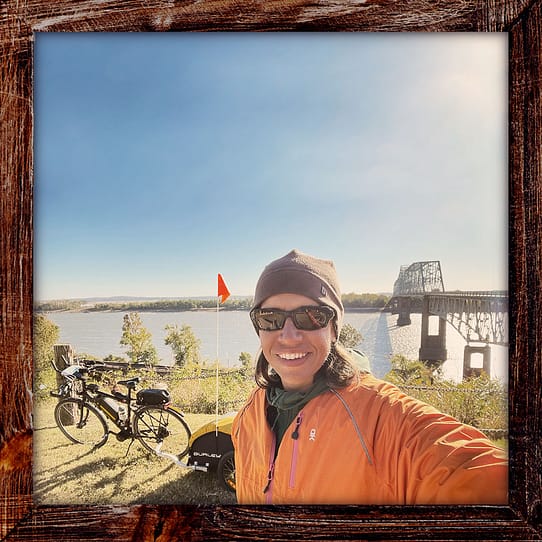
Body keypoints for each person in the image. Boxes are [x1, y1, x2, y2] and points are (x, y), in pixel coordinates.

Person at [231, 249, 508, 505]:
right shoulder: (249, 414)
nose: (288, 336)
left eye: (311, 316)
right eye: (270, 318)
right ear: (258, 328)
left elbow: (469, 470)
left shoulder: (381, 420)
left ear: (334, 329)